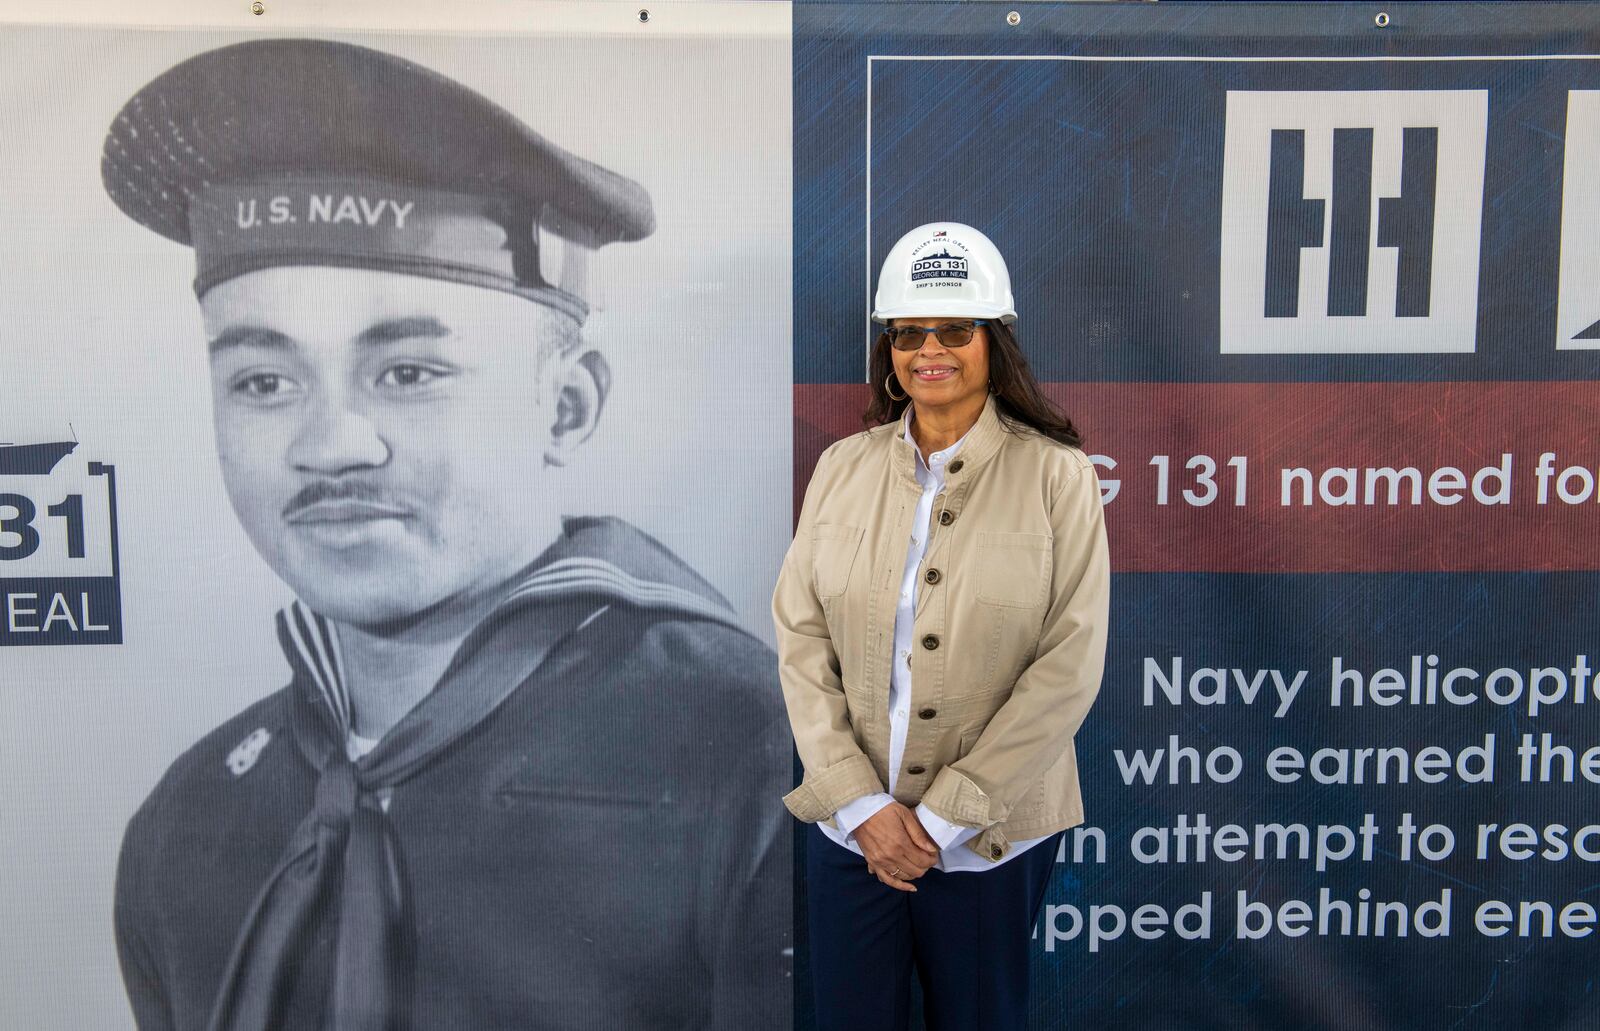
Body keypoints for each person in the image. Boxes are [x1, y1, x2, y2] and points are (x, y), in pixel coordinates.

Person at [102, 38, 790, 1031]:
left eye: (409, 373)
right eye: (263, 382)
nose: (331, 443)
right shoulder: (190, 819)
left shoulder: (759, 757)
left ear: (565, 407)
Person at [773, 222, 1111, 1030]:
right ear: (889, 350)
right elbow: (800, 636)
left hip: (990, 839)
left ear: (993, 342)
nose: (930, 349)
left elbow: (1069, 663)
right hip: (854, 834)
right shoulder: (841, 467)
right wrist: (861, 808)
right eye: (908, 332)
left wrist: (943, 817)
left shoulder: (1056, 474)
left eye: (955, 329)